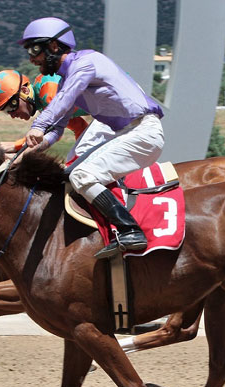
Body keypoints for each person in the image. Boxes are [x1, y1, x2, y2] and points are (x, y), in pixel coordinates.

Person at [18, 17, 165, 259]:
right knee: (67, 174)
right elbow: (57, 128)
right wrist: (35, 147)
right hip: (127, 133)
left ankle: (131, 231)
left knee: (81, 175)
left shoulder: (87, 63)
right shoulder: (68, 78)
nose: (32, 58)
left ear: (54, 46)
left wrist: (38, 125)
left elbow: (64, 100)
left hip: (144, 133)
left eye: (35, 49)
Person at [0, 69, 89, 152]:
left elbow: (55, 131)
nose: (12, 115)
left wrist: (16, 145)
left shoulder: (48, 92)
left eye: (11, 107)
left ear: (24, 91)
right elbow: (79, 126)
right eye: (6, 111)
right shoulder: (42, 104)